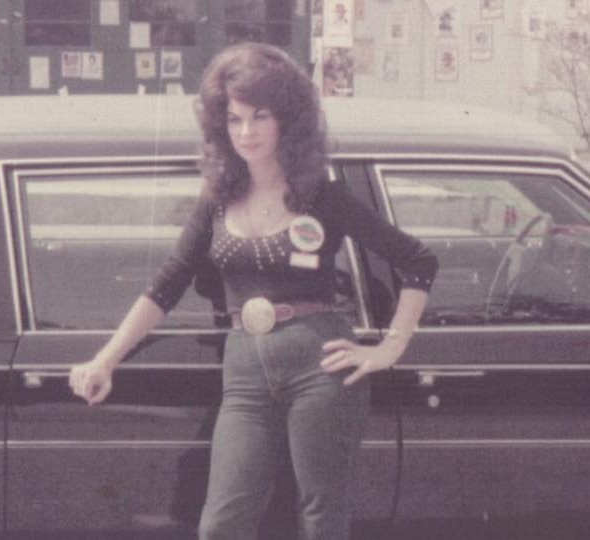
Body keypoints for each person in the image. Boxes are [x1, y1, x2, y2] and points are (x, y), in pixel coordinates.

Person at [69, 42, 437, 539]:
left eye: (260, 117)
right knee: (221, 525)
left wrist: (390, 348)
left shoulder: (323, 196)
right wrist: (105, 359)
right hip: (243, 374)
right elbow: (168, 283)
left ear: (288, 120)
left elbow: (418, 262)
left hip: (319, 366)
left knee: (321, 517)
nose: (246, 132)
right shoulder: (217, 200)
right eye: (235, 118)